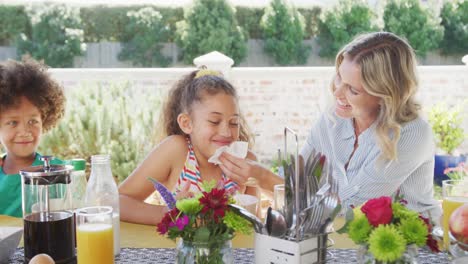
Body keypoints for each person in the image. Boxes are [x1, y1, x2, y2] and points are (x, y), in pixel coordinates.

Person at [220, 32, 442, 219]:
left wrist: (265, 178)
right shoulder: (333, 120)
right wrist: (255, 173)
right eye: (339, 78)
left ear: (386, 96)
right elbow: (300, 182)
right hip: (345, 243)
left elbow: (351, 210)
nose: (337, 93)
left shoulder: (411, 133)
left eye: (352, 90)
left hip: (409, 247)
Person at [119, 69, 260, 225]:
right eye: (214, 121)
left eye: (234, 123)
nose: (226, 132)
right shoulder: (176, 150)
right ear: (187, 123)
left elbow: (254, 225)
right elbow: (117, 201)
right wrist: (168, 214)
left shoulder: (247, 162)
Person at [0, 58, 66, 217]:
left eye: (33, 121)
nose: (24, 131)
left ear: (45, 120)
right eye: (13, 123)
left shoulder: (56, 172)